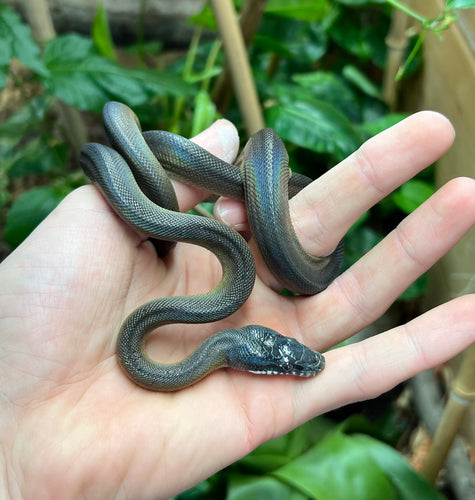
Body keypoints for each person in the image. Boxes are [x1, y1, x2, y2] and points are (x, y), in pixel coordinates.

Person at [0, 111, 474, 499]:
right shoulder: (206, 313)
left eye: (276, 367)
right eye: (276, 368)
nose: (282, 370)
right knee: (136, 167)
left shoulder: (218, 304)